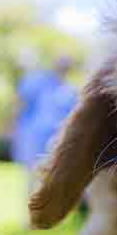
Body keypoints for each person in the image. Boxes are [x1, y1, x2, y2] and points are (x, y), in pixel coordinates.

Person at [11, 56, 79, 193]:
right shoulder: (35, 81)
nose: (63, 66)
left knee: (50, 177)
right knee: (32, 176)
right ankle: (31, 209)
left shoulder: (69, 91)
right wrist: (13, 128)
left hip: (55, 140)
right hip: (33, 137)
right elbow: (20, 105)